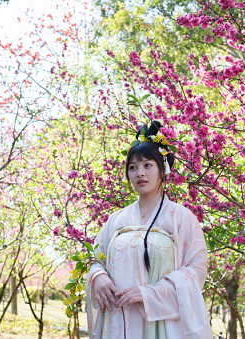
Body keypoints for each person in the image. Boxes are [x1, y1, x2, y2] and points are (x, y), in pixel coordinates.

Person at [86, 121, 212, 338]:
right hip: (117, 320)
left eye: (147, 165)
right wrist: (98, 277)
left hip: (159, 322)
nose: (139, 173)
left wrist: (149, 294)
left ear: (163, 169)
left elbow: (197, 271)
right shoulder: (116, 220)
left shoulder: (181, 218)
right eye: (133, 167)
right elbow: (97, 259)